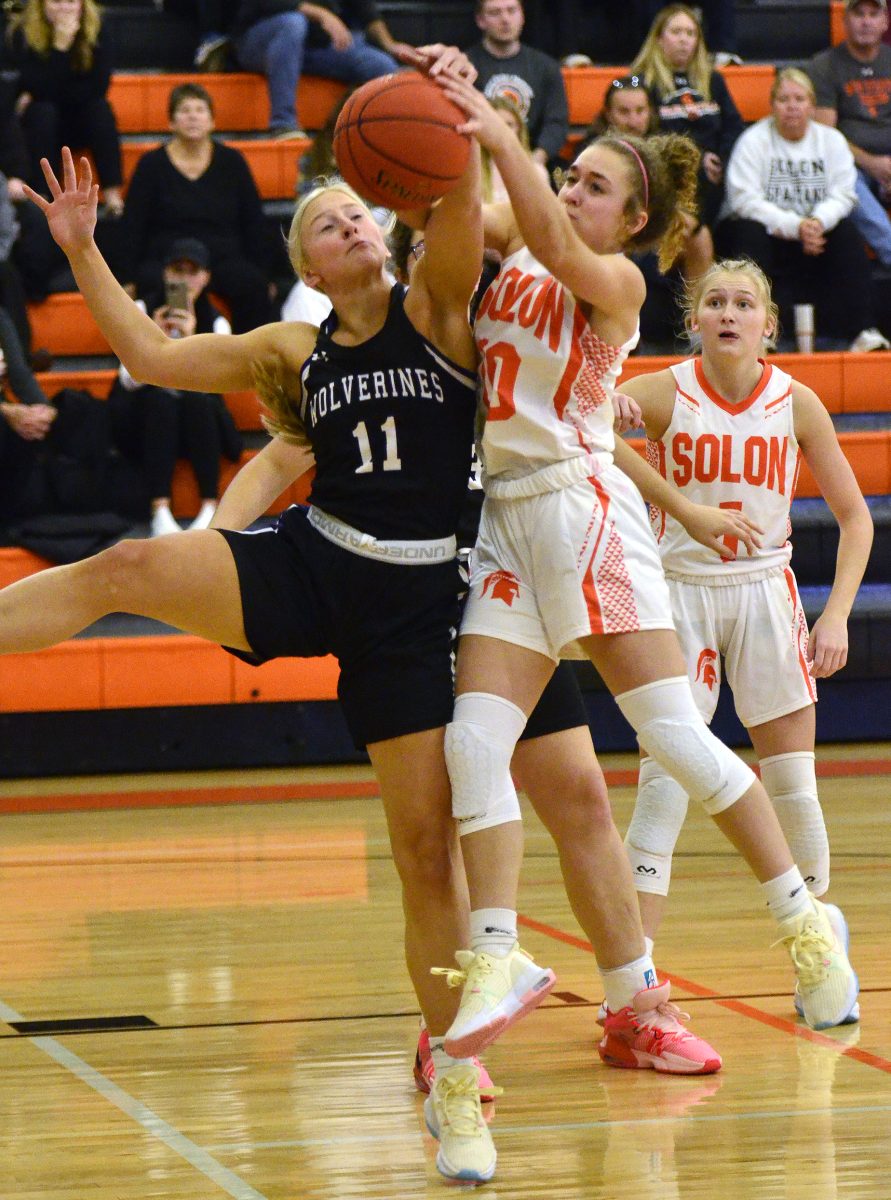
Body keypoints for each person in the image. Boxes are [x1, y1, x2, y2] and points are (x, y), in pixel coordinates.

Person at [427, 69, 860, 1073]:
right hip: (506, 519)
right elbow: (461, 251)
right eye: (569, 176)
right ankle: (497, 956)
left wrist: (504, 141)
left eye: (593, 186)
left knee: (676, 741)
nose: (574, 191)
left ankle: (803, 922)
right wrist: (451, 136)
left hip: (586, 517)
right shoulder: (517, 240)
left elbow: (541, 232)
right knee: (470, 744)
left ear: (633, 222)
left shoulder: (614, 286)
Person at [613, 257, 872, 1025]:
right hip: (679, 593)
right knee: (661, 788)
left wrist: (835, 616)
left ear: (766, 325)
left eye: (744, 303)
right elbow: (591, 427)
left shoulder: (797, 403)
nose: (729, 313)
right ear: (693, 321)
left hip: (765, 591)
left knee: (793, 786)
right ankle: (639, 984)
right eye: (715, 302)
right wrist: (658, 481)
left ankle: (815, 946)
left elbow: (855, 519)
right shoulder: (662, 391)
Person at [718, 67, 889, 352]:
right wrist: (795, 226)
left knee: (846, 231)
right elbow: (743, 200)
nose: (792, 106)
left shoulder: (831, 140)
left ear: (812, 105)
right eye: (784, 99)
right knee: (746, 231)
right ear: (772, 105)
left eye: (799, 99)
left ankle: (863, 330)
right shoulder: (753, 141)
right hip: (771, 236)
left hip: (816, 236)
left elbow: (845, 194)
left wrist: (817, 222)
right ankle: (758, 334)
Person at [107, 237, 242, 537]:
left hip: (198, 421)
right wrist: (152, 339)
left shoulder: (217, 321)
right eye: (177, 269)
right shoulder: (142, 309)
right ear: (165, 273)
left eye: (192, 271)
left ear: (206, 277)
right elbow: (128, 381)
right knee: (161, 400)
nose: (184, 278)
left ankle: (209, 506)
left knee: (198, 401)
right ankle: (160, 510)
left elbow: (216, 384)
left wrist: (192, 339)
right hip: (149, 422)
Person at [120, 83, 272, 333]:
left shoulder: (232, 162)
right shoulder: (151, 165)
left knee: (253, 285)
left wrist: (264, 273)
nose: (192, 116)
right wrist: (126, 277)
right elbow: (132, 225)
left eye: (200, 110)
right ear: (171, 122)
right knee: (150, 282)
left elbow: (253, 220)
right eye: (184, 110)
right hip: (169, 259)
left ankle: (248, 363)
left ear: (212, 121)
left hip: (221, 258)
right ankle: (163, 362)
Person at [581, 74, 711, 350]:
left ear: (650, 113)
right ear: (608, 114)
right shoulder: (592, 151)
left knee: (697, 234)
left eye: (640, 111)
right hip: (607, 237)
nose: (633, 119)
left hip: (654, 235)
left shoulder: (665, 150)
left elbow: (692, 206)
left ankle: (698, 332)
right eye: (624, 111)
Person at [631, 4, 744, 241]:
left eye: (690, 33)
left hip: (714, 174)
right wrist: (698, 159)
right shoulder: (640, 81)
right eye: (676, 32)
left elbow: (733, 127)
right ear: (659, 38)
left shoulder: (714, 80)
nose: (684, 40)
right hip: (666, 169)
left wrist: (722, 160)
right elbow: (644, 132)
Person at [5, 0, 124, 216]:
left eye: (71, 1)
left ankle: (113, 196)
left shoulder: (99, 29)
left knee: (99, 109)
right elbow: (28, 85)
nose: (64, 8)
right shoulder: (21, 32)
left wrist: (46, 88)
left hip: (81, 122)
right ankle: (45, 196)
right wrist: (60, 47)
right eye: (56, 2)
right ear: (41, 5)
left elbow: (98, 88)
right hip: (40, 127)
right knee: (43, 111)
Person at [231, 1, 410, 139]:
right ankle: (283, 123)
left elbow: (365, 10)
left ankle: (383, 135)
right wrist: (321, 13)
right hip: (261, 41)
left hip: (317, 47)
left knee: (380, 65)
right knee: (293, 23)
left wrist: (389, 44)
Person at [808, 0, 891, 269]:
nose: (866, 21)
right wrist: (874, 164)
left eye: (872, 14)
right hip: (853, 165)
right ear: (845, 22)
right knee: (845, 183)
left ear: (885, 22)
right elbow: (826, 135)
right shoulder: (824, 65)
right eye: (858, 14)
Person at [465, 0, 569, 171]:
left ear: (522, 16)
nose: (505, 19)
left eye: (512, 10)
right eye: (495, 12)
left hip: (532, 160)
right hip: (479, 163)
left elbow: (556, 123)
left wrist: (536, 161)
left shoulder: (546, 67)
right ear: (480, 20)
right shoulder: (466, 66)